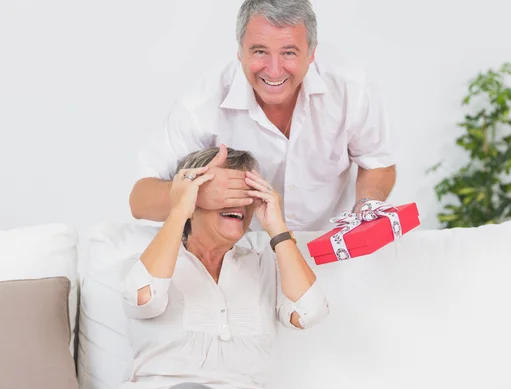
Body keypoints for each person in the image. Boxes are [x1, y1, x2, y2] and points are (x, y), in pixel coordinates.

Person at [129, 0, 396, 232]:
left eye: (289, 53)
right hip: (240, 253)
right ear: (240, 52)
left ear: (312, 53)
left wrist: (366, 206)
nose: (274, 70)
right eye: (260, 52)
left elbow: (377, 162)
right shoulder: (201, 106)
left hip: (329, 243)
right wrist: (194, 193)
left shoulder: (351, 87)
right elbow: (140, 200)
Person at [116, 147, 329, 389]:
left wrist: (277, 228)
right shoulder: (147, 263)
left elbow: (309, 312)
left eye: (247, 193)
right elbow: (145, 298)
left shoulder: (264, 267)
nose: (239, 202)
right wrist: (179, 207)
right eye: (226, 193)